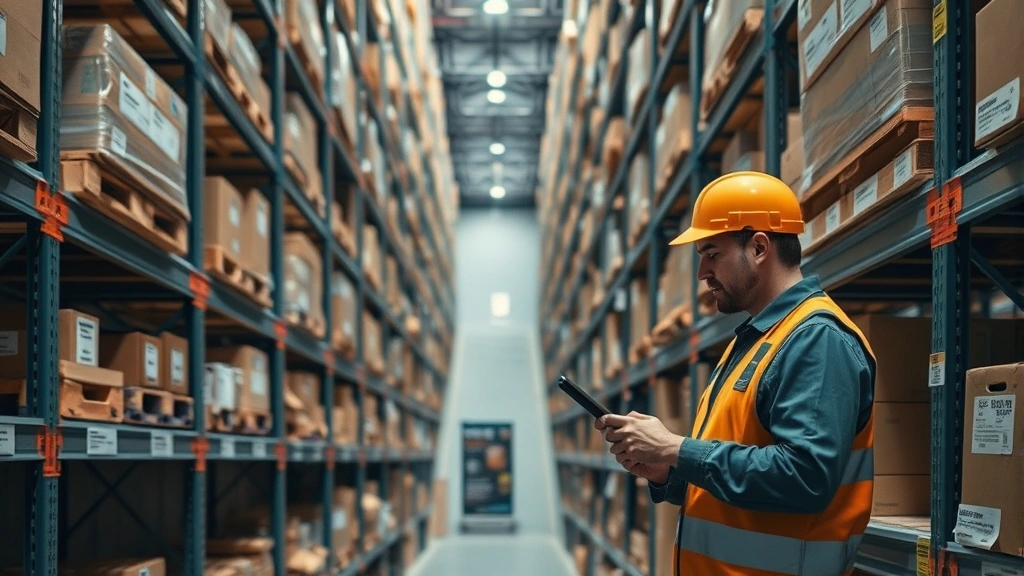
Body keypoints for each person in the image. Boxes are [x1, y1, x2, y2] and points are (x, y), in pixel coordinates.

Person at [595, 172, 876, 576]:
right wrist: (669, 471)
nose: (701, 274)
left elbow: (805, 477)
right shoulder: (752, 341)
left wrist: (676, 448)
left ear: (759, 247)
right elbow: (734, 473)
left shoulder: (815, 339)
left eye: (712, 254)